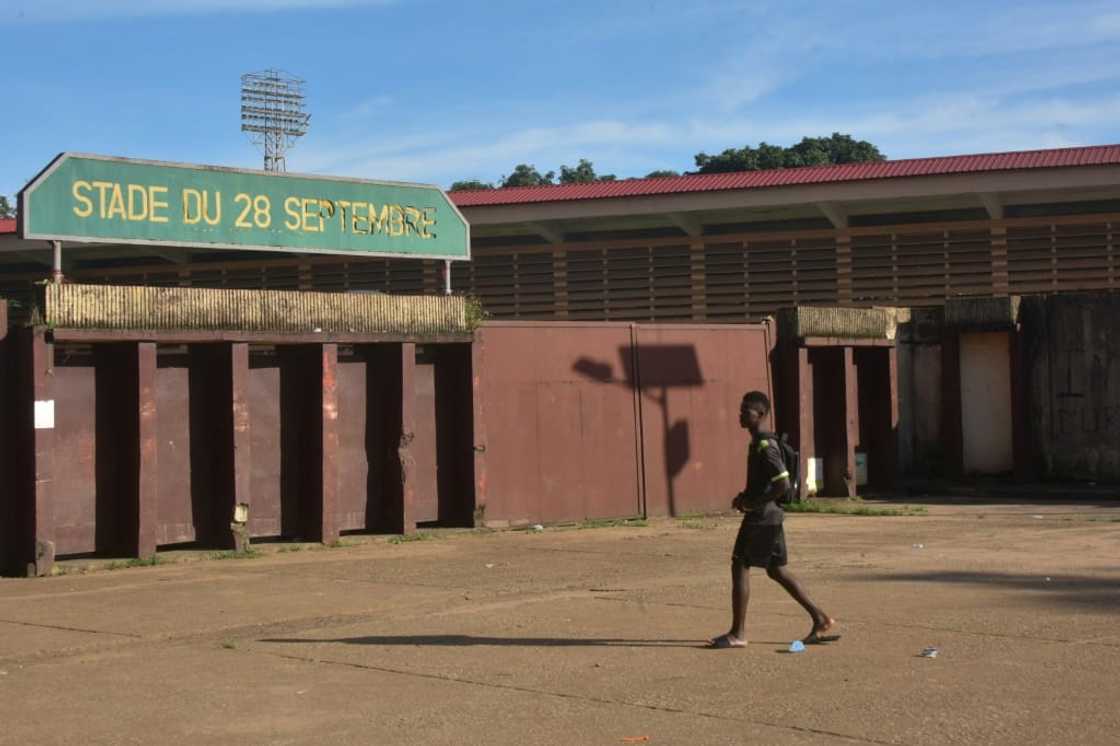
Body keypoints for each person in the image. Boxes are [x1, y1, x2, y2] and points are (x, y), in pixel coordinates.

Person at [708, 391, 839, 649]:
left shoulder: (765, 446)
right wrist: (745, 496)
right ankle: (821, 618)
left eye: (746, 411)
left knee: (740, 564)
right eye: (741, 409)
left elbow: (782, 482)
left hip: (763, 516)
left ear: (761, 415)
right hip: (770, 515)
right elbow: (767, 483)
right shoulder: (758, 443)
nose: (741, 415)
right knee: (776, 569)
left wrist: (753, 503)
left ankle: (738, 633)